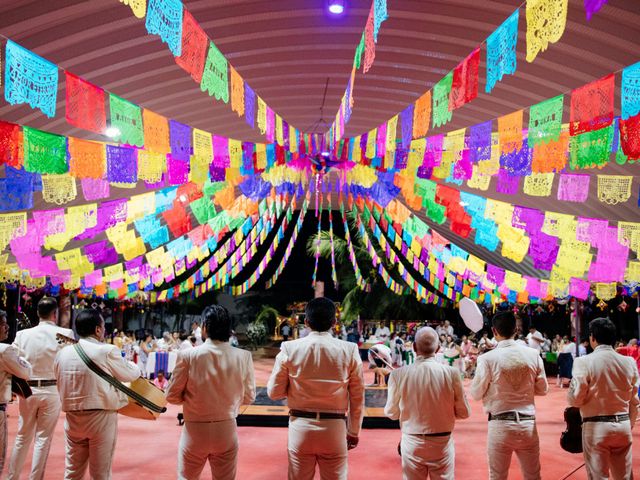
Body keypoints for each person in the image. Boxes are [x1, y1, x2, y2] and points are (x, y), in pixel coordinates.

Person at [267, 297, 364, 480]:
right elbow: (357, 397)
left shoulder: (290, 348)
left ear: (306, 322)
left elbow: (274, 392)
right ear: (334, 322)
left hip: (300, 427)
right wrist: (353, 431)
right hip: (335, 428)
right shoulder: (349, 349)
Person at [167, 305, 255, 480]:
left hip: (194, 429)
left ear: (204, 327)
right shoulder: (243, 356)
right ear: (229, 329)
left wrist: (191, 400)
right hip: (226, 428)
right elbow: (249, 396)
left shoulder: (188, 355)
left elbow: (171, 395)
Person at [54, 309, 140, 480]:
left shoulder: (62, 353)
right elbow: (130, 374)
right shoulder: (106, 351)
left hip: (72, 417)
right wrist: (130, 363)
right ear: (98, 330)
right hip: (100, 417)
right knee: (100, 473)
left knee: (72, 472)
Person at [470, 311, 548, 480]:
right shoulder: (533, 355)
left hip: (500, 423)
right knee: (533, 475)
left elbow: (475, 393)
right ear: (516, 330)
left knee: (497, 476)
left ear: (494, 331)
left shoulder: (487, 359)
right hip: (527, 423)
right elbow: (543, 389)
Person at [385, 327, 470, 479]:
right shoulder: (452, 374)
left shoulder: (398, 375)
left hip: (412, 441)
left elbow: (391, 413)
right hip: (442, 442)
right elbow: (464, 412)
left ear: (414, 347)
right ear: (438, 349)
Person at [9, 297, 75, 480]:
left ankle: (12, 477)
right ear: (55, 314)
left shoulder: (23, 335)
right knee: (43, 439)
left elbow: (12, 358)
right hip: (52, 389)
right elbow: (70, 363)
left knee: (22, 437)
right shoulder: (66, 333)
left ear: (38, 313)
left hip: (28, 389)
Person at [567, 317, 639, 479]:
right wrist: (628, 424)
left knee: (598, 476)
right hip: (623, 426)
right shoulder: (629, 363)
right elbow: (634, 401)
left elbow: (576, 399)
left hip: (596, 428)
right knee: (625, 476)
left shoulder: (583, 362)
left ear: (592, 337)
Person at [0, 310, 32, 476]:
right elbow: (26, 372)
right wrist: (22, 358)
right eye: (3, 324)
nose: (7, 327)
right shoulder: (5, 350)